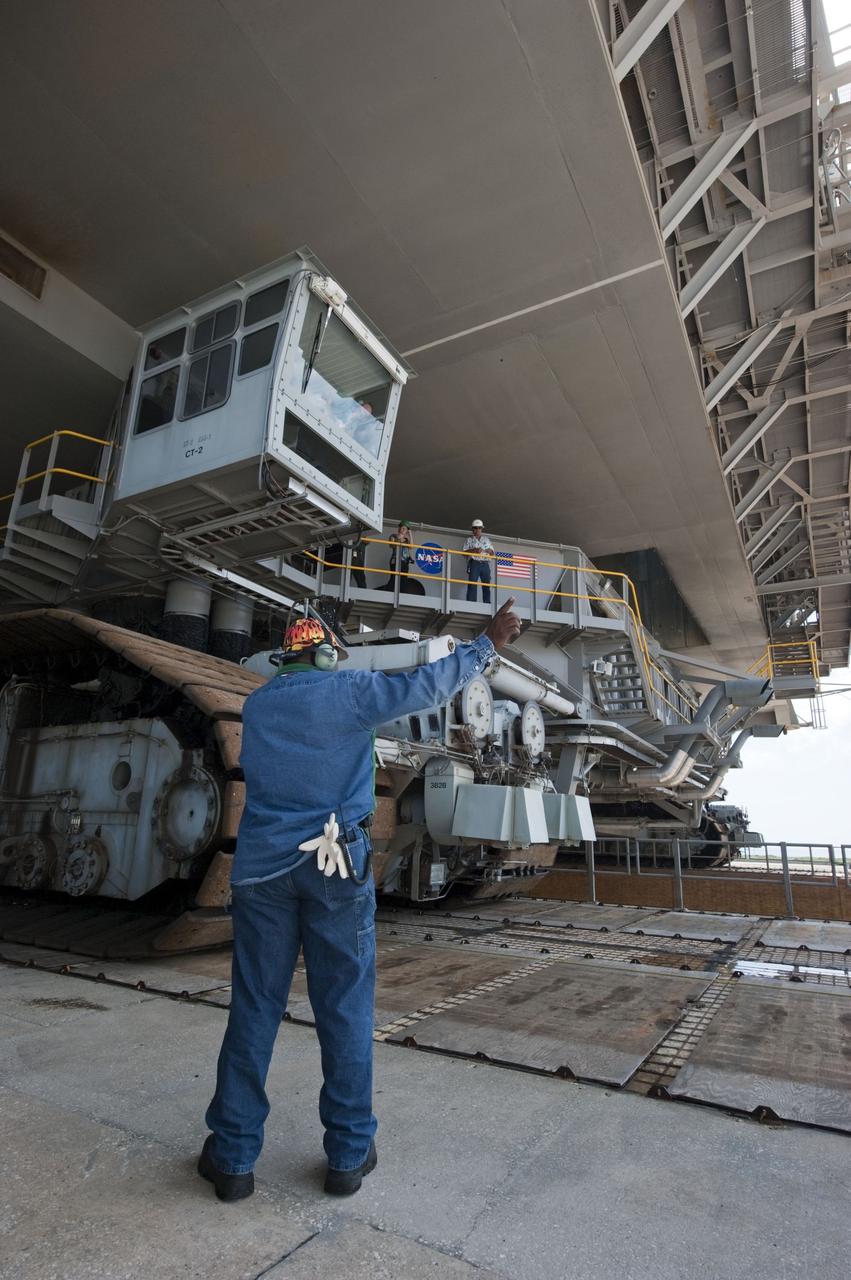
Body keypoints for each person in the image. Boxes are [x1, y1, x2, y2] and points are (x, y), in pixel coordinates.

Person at [199, 598, 522, 1203]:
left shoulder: (260, 704)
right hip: (335, 872)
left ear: (284, 657)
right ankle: (347, 1156)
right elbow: (428, 684)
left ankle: (233, 1159)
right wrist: (487, 644)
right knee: (343, 1009)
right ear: (327, 652)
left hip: (262, 875)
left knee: (254, 1011)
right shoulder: (347, 692)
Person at [463, 518, 495, 603]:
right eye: (475, 528)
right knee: (472, 584)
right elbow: (464, 553)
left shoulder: (487, 540)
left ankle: (487, 603)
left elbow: (493, 554)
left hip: (485, 564)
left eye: (479, 528)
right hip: (474, 563)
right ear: (472, 529)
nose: (477, 529)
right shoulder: (468, 540)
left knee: (486, 585)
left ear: (482, 529)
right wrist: (474, 550)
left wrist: (490, 551)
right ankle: (471, 603)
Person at [389, 519, 413, 584]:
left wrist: (410, 534)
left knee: (403, 579)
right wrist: (399, 538)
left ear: (407, 531)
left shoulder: (406, 540)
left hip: (405, 561)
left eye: (404, 528)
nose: (401, 529)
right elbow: (392, 545)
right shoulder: (393, 536)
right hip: (395, 560)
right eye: (400, 527)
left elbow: (411, 546)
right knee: (393, 578)